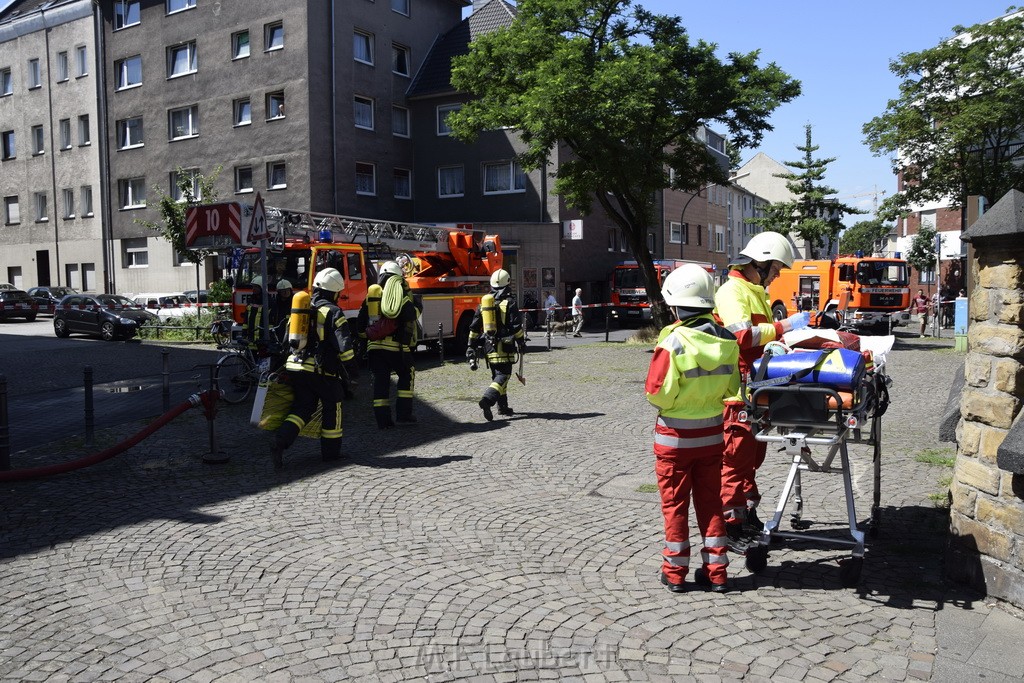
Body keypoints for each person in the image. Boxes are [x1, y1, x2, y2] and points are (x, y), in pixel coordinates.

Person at [646, 264, 739, 593]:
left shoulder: (673, 342)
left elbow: (657, 393)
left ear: (676, 304)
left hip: (674, 441)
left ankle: (674, 573)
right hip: (712, 438)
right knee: (712, 503)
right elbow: (732, 391)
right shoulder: (728, 340)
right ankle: (717, 573)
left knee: (675, 507)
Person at [714, 231, 809, 553]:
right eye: (777, 268)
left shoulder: (753, 291)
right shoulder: (732, 291)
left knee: (752, 459)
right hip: (737, 392)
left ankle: (747, 516)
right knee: (736, 460)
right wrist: (785, 327)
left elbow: (763, 342)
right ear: (762, 262)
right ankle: (730, 526)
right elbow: (741, 337)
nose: (779, 275)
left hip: (756, 389)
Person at [270, 267, 357, 469]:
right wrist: (353, 374)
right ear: (334, 291)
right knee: (332, 406)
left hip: (295, 367)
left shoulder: (301, 309)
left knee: (302, 408)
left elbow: (286, 341)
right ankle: (331, 454)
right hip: (321, 371)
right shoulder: (334, 312)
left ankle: (280, 441)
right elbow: (345, 348)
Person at [356, 260, 421, 429]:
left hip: (374, 348)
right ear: (398, 276)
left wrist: (370, 337)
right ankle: (404, 415)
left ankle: (383, 422)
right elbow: (409, 315)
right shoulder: (398, 293)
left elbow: (360, 325)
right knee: (407, 374)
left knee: (380, 382)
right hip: (396, 347)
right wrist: (418, 305)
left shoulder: (371, 296)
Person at [466, 269, 526, 421]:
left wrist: (470, 345)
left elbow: (474, 327)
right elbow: (516, 327)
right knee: (503, 376)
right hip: (505, 347)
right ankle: (487, 400)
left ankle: (503, 407)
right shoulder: (510, 302)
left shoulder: (484, 303)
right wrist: (521, 342)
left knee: (497, 376)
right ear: (508, 283)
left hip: (489, 347)